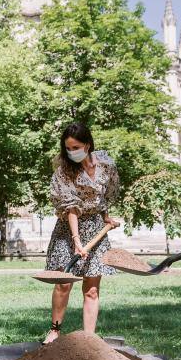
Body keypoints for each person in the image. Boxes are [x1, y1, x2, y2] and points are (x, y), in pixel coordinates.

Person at [42, 122, 121, 345]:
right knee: (64, 282)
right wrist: (76, 241)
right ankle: (55, 331)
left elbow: (104, 195)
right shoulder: (64, 171)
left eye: (75, 147)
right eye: (68, 148)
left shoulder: (105, 165)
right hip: (69, 229)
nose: (71, 152)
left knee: (92, 288)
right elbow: (71, 208)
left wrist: (105, 217)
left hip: (96, 229)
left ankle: (89, 339)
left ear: (87, 144)